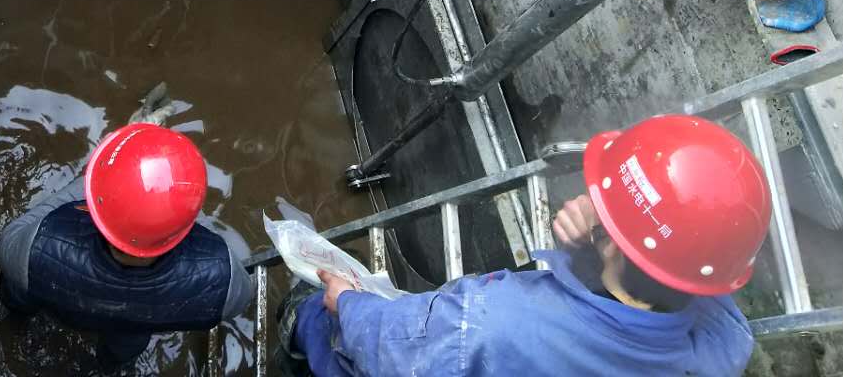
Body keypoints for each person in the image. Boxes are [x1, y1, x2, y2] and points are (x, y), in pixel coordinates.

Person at [278, 115, 770, 376]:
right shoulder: (724, 342)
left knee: (332, 329)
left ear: (619, 248)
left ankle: (298, 334)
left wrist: (347, 302)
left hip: (419, 349)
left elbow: (397, 347)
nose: (591, 201)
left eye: (607, 206)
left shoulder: (492, 322)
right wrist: (592, 246)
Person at [0, 122, 253, 371]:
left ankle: (14, 321)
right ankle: (108, 367)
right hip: (132, 329)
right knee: (120, 352)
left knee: (17, 295)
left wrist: (92, 183)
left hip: (54, 291)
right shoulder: (221, 279)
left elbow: (11, 239)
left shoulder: (37, 249)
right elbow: (242, 298)